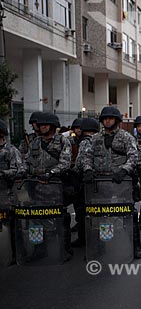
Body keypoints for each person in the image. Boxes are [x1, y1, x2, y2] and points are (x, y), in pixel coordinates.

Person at [80, 106, 141, 259]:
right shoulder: (95, 138)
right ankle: (98, 247)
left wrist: (125, 170)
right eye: (105, 118)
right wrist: (87, 169)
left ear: (117, 120)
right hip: (99, 183)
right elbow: (86, 156)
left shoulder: (126, 137)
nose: (107, 121)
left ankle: (136, 246)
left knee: (129, 212)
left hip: (120, 182)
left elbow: (134, 156)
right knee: (97, 215)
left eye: (110, 118)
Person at [25, 112, 73, 261]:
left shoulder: (62, 141)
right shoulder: (34, 142)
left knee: (60, 217)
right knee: (37, 219)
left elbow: (65, 162)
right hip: (37, 186)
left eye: (46, 125)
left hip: (55, 185)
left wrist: (51, 173)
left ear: (53, 126)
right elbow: (28, 161)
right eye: (41, 125)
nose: (43, 127)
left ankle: (65, 249)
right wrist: (22, 172)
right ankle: (39, 248)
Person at [71, 117, 100, 247]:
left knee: (82, 211)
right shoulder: (100, 140)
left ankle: (84, 239)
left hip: (84, 180)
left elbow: (80, 162)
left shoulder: (84, 143)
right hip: (98, 180)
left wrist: (74, 172)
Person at [0, 119, 25, 264]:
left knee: (13, 227)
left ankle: (17, 254)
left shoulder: (10, 150)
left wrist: (3, 173)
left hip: (7, 195)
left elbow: (19, 169)